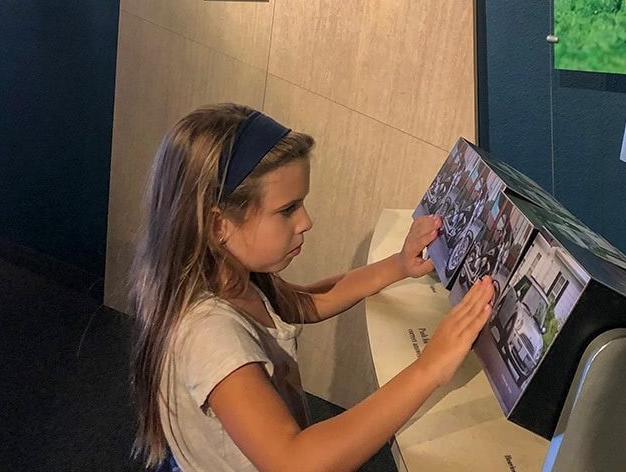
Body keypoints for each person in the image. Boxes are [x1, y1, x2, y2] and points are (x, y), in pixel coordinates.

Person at [130, 103, 495, 472]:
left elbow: (309, 301)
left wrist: (399, 264)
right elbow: (295, 463)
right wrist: (430, 367)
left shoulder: (234, 277)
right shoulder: (208, 334)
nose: (306, 221)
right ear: (218, 225)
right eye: (288, 209)